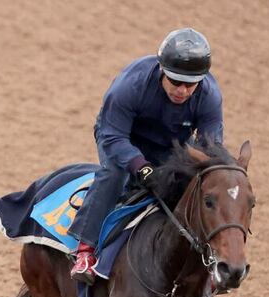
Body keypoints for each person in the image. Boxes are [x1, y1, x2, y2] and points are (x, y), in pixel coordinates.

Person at [69, 28, 223, 284]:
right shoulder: (130, 85)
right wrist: (141, 167)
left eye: (190, 85)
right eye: (175, 81)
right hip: (122, 139)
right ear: (162, 69)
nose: (182, 91)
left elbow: (209, 147)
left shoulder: (209, 96)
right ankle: (85, 251)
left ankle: (210, 258)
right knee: (115, 174)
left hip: (172, 148)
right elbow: (112, 135)